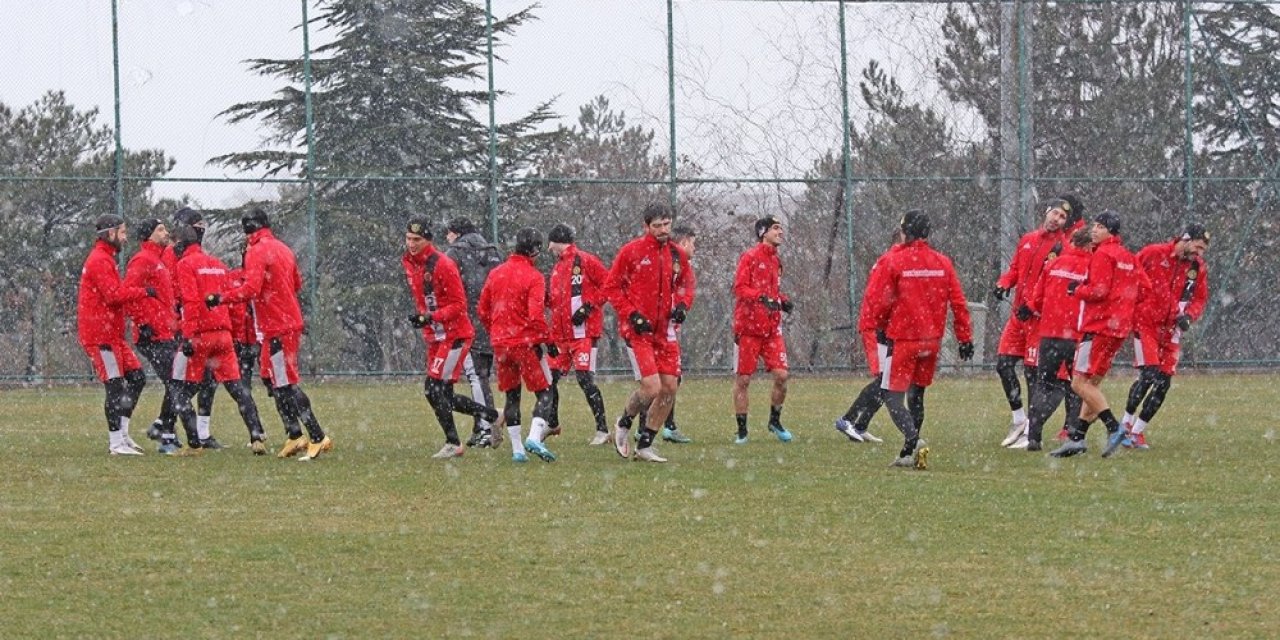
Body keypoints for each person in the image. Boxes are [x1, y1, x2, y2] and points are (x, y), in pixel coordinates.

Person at [207, 208, 332, 460]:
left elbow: (250, 289)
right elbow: (296, 284)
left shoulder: (256, 251)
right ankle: (295, 434)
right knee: (270, 377)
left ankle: (317, 436)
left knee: (285, 382)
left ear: (246, 231)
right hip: (283, 322)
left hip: (278, 326)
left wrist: (221, 298)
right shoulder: (282, 248)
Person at [867, 211, 974, 469]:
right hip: (931, 341)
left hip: (903, 339)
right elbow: (959, 303)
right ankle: (907, 454)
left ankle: (914, 440)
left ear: (906, 232)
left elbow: (880, 301)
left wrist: (879, 327)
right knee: (917, 395)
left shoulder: (895, 261)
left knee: (892, 396)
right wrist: (964, 338)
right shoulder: (942, 262)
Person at [1050, 211, 1150, 458]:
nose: (1094, 230)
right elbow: (1145, 289)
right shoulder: (1128, 256)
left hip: (1098, 327)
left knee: (1079, 383)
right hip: (1118, 329)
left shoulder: (1103, 254)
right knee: (1092, 384)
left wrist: (1078, 289)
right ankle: (1077, 438)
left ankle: (1114, 428)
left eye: (1100, 226)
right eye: (1094, 225)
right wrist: (1123, 307)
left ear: (1110, 232)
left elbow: (1099, 290)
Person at [402, 218, 500, 459]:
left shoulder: (444, 264)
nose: (411, 244)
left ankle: (453, 442)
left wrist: (430, 316)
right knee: (438, 393)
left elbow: (459, 305)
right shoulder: (409, 262)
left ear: (428, 240)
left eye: (417, 240)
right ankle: (493, 416)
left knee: (434, 389)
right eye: (408, 239)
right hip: (436, 337)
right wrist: (426, 319)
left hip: (454, 335)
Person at [605, 203, 694, 463]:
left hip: (665, 332)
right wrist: (631, 314)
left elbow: (687, 286)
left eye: (667, 224)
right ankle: (623, 421)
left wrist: (682, 306)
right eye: (657, 226)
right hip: (638, 331)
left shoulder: (677, 255)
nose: (663, 230)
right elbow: (612, 287)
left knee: (669, 388)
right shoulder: (631, 252)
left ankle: (645, 445)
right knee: (652, 387)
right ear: (646, 227)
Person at [991, 195, 1083, 447]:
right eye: (1055, 213)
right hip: (1017, 318)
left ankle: (1032, 428)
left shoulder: (1063, 248)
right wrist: (1004, 283)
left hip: (1038, 320)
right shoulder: (1028, 240)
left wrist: (1033, 306)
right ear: (1047, 212)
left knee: (1035, 375)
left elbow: (1054, 288)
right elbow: (1015, 269)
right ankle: (1019, 418)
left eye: (1063, 217)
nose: (1057, 219)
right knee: (1004, 364)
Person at [169, 225, 269, 455]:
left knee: (181, 393)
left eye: (175, 244)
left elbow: (192, 302)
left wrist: (189, 337)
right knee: (237, 388)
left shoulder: (185, 265)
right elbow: (231, 302)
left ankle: (194, 444)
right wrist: (231, 333)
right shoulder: (218, 265)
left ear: (182, 245)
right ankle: (256, 436)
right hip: (223, 335)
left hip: (201, 335)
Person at [1120, 223, 1210, 449]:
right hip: (1146, 324)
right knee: (1149, 374)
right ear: (1186, 239)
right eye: (1198, 247)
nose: (1199, 254)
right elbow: (1129, 274)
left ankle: (1138, 432)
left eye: (1202, 250)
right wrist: (1130, 305)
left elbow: (1199, 298)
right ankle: (1125, 424)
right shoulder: (1153, 253)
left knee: (1164, 383)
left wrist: (1188, 316)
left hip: (1172, 331)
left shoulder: (1197, 267)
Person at [76, 214, 156, 455]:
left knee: (137, 378)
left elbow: (114, 293)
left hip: (112, 335)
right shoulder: (100, 260)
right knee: (114, 384)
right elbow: (113, 295)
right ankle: (115, 443)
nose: (125, 237)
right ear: (110, 233)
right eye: (122, 232)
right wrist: (143, 291)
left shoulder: (106, 259)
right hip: (101, 335)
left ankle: (122, 434)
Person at [478, 227, 558, 463]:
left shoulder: (496, 273)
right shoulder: (534, 277)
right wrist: (548, 341)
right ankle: (533, 436)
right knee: (545, 392)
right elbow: (535, 316)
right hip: (524, 343)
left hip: (501, 344)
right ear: (535, 251)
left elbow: (483, 309)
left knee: (512, 397)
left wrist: (496, 330)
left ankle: (517, 450)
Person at [1018, 227, 1093, 451]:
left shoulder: (1054, 264)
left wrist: (1028, 308)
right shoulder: (1091, 267)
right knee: (1077, 385)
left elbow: (1037, 299)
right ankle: (1072, 432)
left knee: (1044, 384)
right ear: (1089, 245)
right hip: (1076, 336)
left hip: (1049, 335)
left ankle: (1034, 435)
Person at [545, 223, 612, 445]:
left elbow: (608, 285)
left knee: (585, 380)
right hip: (560, 337)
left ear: (555, 242)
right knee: (549, 380)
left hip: (583, 334)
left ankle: (603, 430)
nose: (549, 248)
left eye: (550, 243)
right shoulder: (556, 268)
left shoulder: (585, 260)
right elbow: (555, 301)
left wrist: (588, 307)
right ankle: (552, 424)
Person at [122, 218, 186, 451]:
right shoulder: (142, 260)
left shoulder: (159, 260)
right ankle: (166, 434)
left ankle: (163, 425)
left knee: (178, 380)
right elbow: (128, 293)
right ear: (148, 235)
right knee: (175, 380)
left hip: (165, 333)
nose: (165, 232)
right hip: (152, 335)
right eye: (160, 229)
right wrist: (142, 323)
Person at [730, 215, 794, 444]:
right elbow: (740, 288)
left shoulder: (777, 261)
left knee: (782, 376)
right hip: (748, 328)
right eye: (776, 228)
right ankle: (742, 430)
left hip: (771, 328)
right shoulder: (749, 257)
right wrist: (761, 298)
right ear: (763, 233)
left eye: (781, 228)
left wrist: (783, 301)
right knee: (744, 380)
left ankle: (774, 421)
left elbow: (774, 292)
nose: (780, 232)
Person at [833, 229, 899, 444]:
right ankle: (847, 419)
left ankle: (860, 426)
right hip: (876, 327)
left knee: (887, 380)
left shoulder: (890, 260)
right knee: (884, 379)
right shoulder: (891, 260)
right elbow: (881, 298)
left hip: (882, 326)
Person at [444, 217, 503, 448]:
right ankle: (482, 427)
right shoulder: (494, 252)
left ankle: (487, 426)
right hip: (494, 319)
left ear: (455, 233)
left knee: (476, 377)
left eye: (448, 233)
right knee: (484, 375)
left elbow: (448, 287)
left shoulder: (455, 253)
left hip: (467, 320)